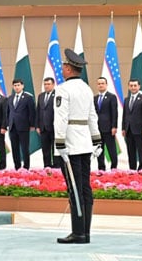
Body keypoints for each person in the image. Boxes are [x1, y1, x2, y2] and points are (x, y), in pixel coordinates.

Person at [54, 49, 101, 244]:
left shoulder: (63, 89)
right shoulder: (87, 89)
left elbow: (61, 117)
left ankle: (78, 232)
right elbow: (92, 117)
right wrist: (97, 140)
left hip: (70, 143)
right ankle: (85, 231)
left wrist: (59, 143)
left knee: (74, 188)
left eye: (64, 66)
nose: (62, 69)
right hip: (85, 143)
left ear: (68, 69)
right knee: (85, 188)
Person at [122, 79, 142, 171]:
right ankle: (132, 169)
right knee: (131, 151)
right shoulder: (126, 99)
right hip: (129, 129)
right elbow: (125, 115)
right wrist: (123, 128)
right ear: (129, 87)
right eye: (131, 85)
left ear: (139, 86)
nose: (133, 87)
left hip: (140, 129)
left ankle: (141, 168)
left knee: (141, 150)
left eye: (135, 85)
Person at [6, 78, 35, 170]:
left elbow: (32, 112)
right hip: (12, 127)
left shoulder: (28, 97)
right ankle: (17, 166)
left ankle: (26, 167)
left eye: (18, 85)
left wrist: (32, 124)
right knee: (14, 148)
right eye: (15, 85)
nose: (17, 87)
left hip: (24, 126)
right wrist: (8, 123)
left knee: (24, 148)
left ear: (22, 86)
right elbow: (8, 112)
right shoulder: (10, 98)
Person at [94, 77, 118, 171]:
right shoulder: (95, 98)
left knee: (111, 149)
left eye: (102, 83)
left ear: (106, 85)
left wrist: (114, 126)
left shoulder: (111, 97)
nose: (100, 85)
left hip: (108, 128)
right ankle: (101, 167)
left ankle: (114, 167)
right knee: (99, 149)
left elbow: (114, 113)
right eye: (99, 83)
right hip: (97, 128)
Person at [36, 77, 56, 168]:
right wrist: (37, 126)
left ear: (53, 84)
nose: (46, 86)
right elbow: (38, 111)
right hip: (43, 127)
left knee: (55, 149)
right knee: (45, 148)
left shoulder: (57, 95)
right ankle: (47, 165)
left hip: (54, 127)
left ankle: (56, 166)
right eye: (45, 84)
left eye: (48, 84)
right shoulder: (41, 96)